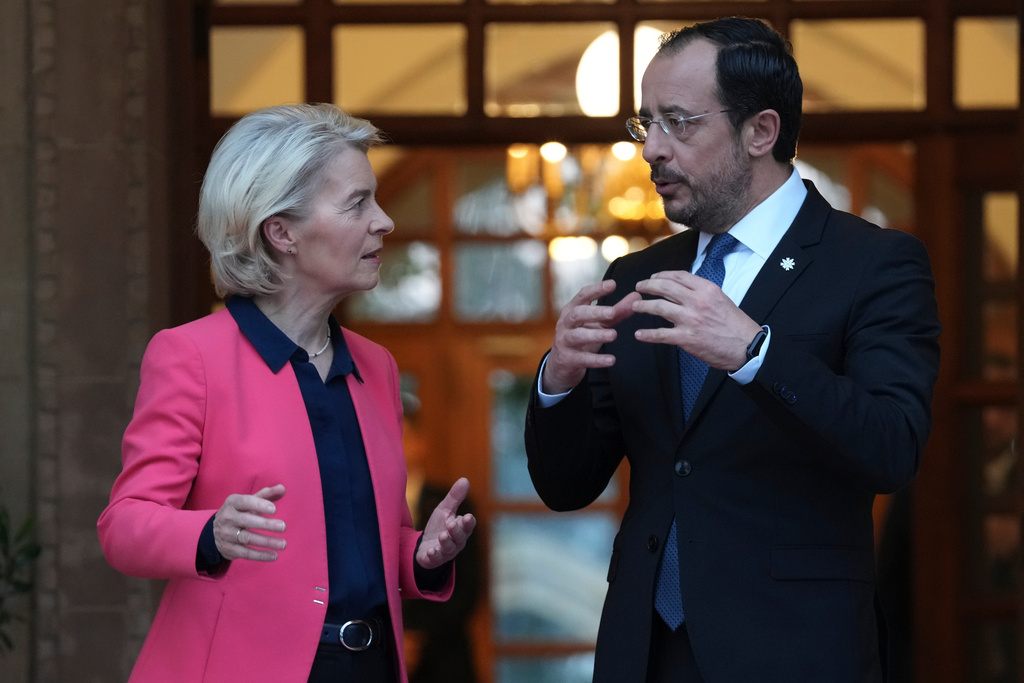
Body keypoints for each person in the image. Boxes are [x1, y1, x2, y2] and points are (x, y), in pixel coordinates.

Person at [524, 17, 941, 683]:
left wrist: (755, 351)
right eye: (646, 123)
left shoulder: (874, 265)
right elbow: (565, 484)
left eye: (678, 122)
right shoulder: (633, 276)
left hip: (795, 650)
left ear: (761, 132)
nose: (651, 149)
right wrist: (559, 381)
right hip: (646, 652)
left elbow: (891, 446)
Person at [97, 103, 476, 683]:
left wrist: (422, 554)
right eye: (357, 203)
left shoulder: (376, 367)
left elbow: (367, 544)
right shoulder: (191, 357)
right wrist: (209, 532)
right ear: (281, 232)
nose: (384, 221)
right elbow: (124, 526)